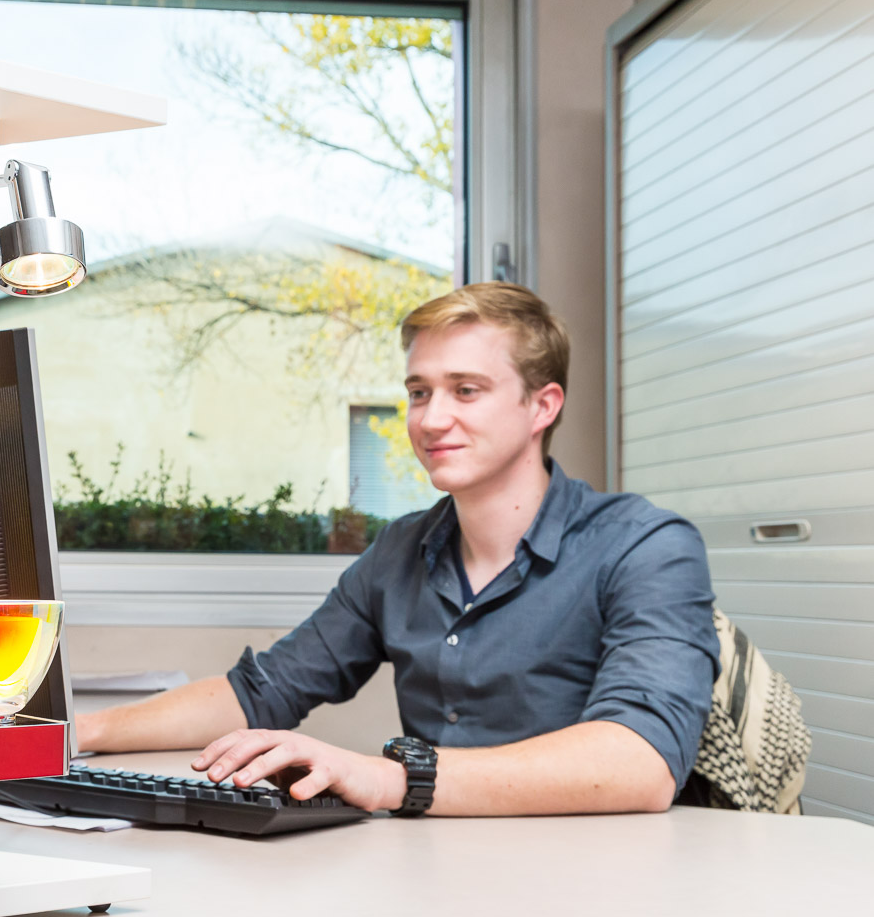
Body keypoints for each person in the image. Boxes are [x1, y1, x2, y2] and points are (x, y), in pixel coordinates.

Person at [75, 282, 719, 817]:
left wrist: (393, 778)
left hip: (599, 881)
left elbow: (641, 762)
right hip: (431, 869)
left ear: (541, 406)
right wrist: (76, 734)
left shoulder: (645, 546)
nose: (431, 419)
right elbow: (261, 691)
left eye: (466, 390)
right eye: (419, 392)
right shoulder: (401, 551)